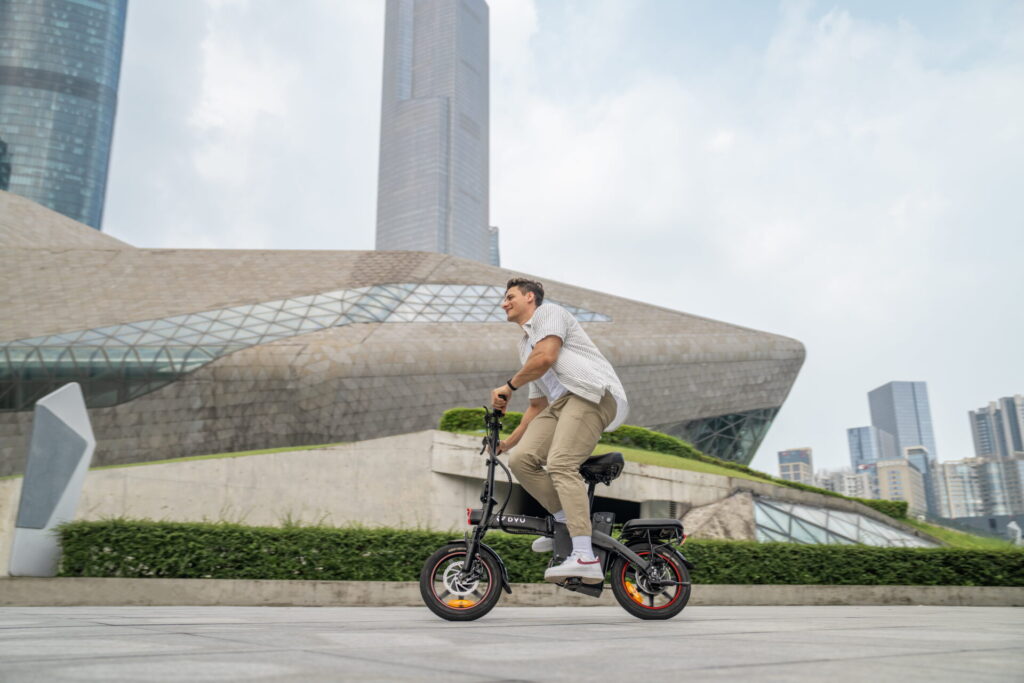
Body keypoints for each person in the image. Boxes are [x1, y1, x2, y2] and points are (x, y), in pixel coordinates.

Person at [491, 278, 628, 583]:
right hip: (560, 404)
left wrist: (509, 386)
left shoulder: (550, 314)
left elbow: (547, 357)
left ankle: (584, 556)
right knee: (522, 460)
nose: (504, 303)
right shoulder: (524, 345)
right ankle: (565, 526)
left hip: (590, 393)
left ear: (530, 298)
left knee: (561, 463)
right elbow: (537, 406)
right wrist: (506, 445)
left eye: (510, 296)